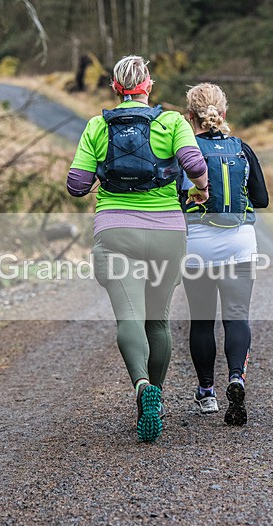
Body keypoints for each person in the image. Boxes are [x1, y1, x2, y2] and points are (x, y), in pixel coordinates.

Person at [66, 55, 209, 442]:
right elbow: (195, 165)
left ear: (115, 88)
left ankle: (142, 386)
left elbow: (76, 184)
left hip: (116, 232)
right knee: (158, 320)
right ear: (149, 86)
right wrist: (201, 188)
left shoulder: (98, 126)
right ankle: (157, 401)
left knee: (129, 317)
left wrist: (101, 174)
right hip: (166, 233)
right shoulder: (172, 121)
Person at [180, 83, 269, 426]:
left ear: (190, 117)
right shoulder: (242, 149)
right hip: (240, 243)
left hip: (198, 244)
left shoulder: (185, 152)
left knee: (202, 320)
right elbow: (261, 199)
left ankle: (206, 393)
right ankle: (237, 378)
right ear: (224, 113)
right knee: (236, 317)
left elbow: (175, 199)